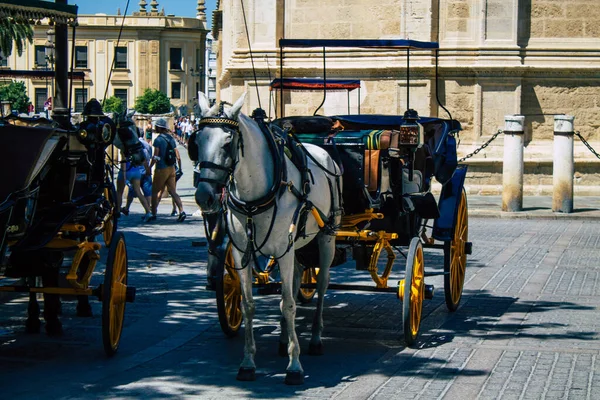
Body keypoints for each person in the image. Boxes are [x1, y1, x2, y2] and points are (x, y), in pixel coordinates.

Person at [148, 118, 186, 222]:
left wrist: (149, 168)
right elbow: (177, 155)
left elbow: (155, 156)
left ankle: (153, 213)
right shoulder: (171, 138)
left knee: (155, 191)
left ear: (159, 128)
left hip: (161, 168)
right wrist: (180, 166)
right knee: (173, 191)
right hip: (172, 168)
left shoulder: (158, 140)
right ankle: (182, 211)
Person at [121, 129, 153, 220]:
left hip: (137, 169)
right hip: (145, 170)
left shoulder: (134, 144)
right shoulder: (147, 144)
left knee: (133, 190)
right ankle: (148, 210)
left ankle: (127, 208)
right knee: (146, 191)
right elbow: (148, 157)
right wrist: (148, 169)